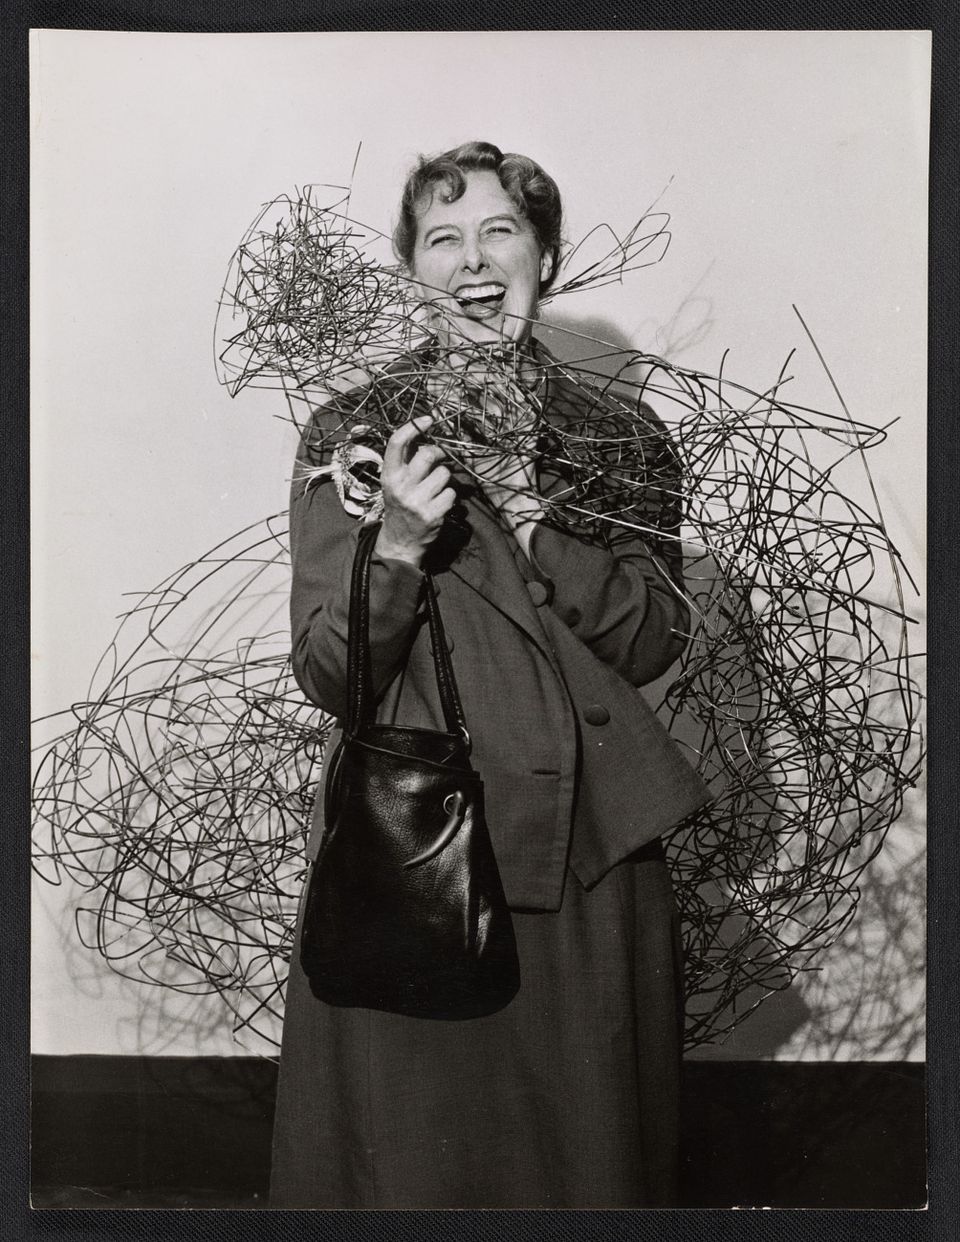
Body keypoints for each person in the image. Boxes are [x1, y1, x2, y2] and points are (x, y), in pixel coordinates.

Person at [269, 141, 710, 1209]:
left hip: (587, 857)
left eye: (501, 232)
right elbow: (331, 672)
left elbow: (653, 641)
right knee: (407, 1169)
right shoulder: (353, 437)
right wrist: (402, 550)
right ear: (410, 268)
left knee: (580, 1167)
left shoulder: (618, 436)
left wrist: (531, 512)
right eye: (444, 237)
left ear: (545, 259)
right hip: (416, 849)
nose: (474, 259)